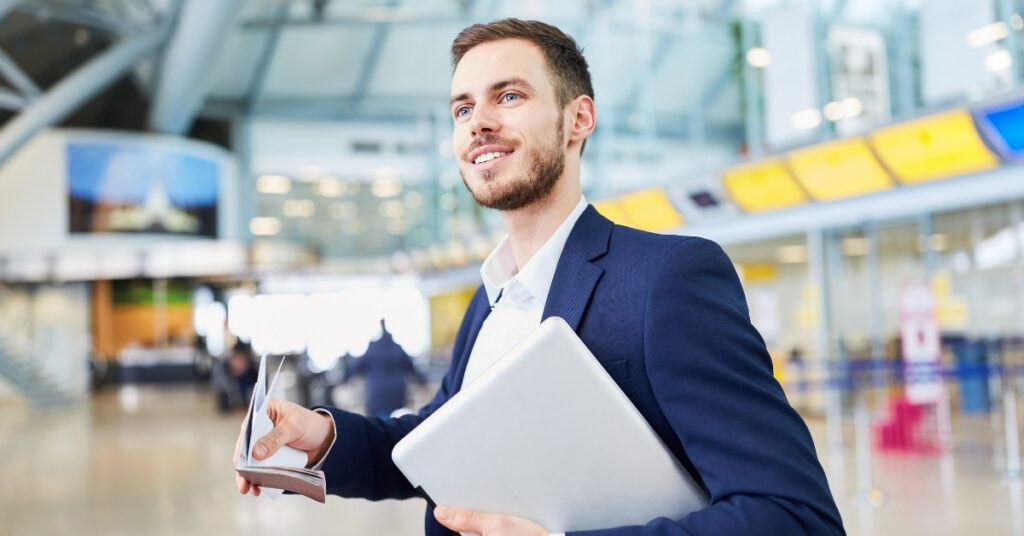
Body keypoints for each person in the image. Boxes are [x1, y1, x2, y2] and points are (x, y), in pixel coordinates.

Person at [236, 18, 845, 536]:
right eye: (462, 108)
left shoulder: (665, 280)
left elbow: (794, 516)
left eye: (508, 96)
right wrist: (323, 437)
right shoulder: (490, 299)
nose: (477, 122)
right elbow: (443, 443)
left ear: (578, 119)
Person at [343, 319, 428, 417]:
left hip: (376, 396)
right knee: (396, 421)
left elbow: (356, 367)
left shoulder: (372, 349)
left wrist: (345, 379)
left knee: (378, 423)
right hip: (397, 396)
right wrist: (424, 382)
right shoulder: (397, 348)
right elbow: (412, 369)